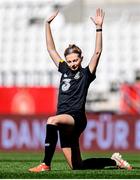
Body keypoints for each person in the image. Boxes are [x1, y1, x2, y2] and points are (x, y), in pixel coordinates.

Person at [29, 8, 132, 172]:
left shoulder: (86, 73)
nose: (72, 64)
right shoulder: (64, 69)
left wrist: (99, 28)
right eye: (69, 61)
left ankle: (45, 164)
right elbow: (51, 50)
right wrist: (47, 24)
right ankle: (115, 162)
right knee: (78, 166)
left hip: (75, 118)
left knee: (51, 120)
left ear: (81, 58)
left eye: (75, 60)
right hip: (64, 119)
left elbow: (97, 52)